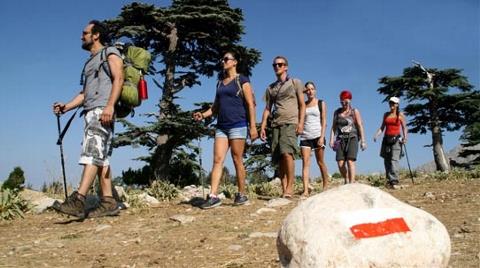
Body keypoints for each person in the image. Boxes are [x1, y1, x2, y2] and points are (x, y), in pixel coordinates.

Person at [52, 20, 124, 218]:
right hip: (90, 111)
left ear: (96, 35)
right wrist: (66, 107)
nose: (81, 37)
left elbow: (119, 78)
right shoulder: (90, 62)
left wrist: (109, 106)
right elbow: (84, 93)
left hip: (102, 110)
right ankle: (109, 201)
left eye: (85, 33)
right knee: (101, 158)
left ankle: (79, 200)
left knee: (92, 152)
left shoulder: (110, 52)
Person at [193, 51, 258, 209]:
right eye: (223, 59)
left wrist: (253, 126)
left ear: (234, 62)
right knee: (217, 160)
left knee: (237, 160)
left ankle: (241, 194)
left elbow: (250, 104)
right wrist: (203, 114)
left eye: (226, 59)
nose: (223, 61)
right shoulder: (220, 83)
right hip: (221, 126)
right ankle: (213, 196)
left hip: (238, 125)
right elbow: (215, 108)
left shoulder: (242, 80)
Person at [260, 56, 305, 198]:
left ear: (286, 67)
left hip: (290, 122)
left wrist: (301, 123)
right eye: (275, 65)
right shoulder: (270, 88)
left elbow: (302, 104)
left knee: (287, 153)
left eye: (280, 64)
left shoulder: (295, 82)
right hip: (275, 124)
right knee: (279, 157)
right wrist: (262, 127)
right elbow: (267, 108)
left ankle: (290, 187)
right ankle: (284, 188)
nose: (277, 67)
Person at [329, 90, 366, 184]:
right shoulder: (336, 112)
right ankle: (346, 178)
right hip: (340, 139)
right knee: (340, 163)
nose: (344, 103)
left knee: (350, 161)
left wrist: (363, 141)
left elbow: (360, 125)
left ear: (350, 101)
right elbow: (333, 127)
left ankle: (352, 182)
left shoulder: (354, 111)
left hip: (352, 138)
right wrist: (331, 140)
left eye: (346, 101)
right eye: (342, 101)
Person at [299, 81, 329, 196]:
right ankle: (306, 190)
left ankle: (325, 185)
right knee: (305, 163)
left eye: (312, 89)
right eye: (308, 89)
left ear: (315, 90)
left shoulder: (321, 103)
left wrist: (322, 136)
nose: (310, 91)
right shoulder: (303, 105)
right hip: (305, 136)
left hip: (317, 136)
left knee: (320, 162)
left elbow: (324, 120)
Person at [373, 96, 408, 188]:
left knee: (394, 160)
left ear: (397, 104)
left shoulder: (400, 115)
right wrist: (377, 134)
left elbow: (404, 127)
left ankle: (394, 180)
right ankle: (389, 179)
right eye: (390, 103)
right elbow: (382, 127)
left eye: (393, 103)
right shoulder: (386, 114)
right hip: (386, 139)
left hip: (396, 139)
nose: (391, 104)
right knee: (386, 159)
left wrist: (405, 138)